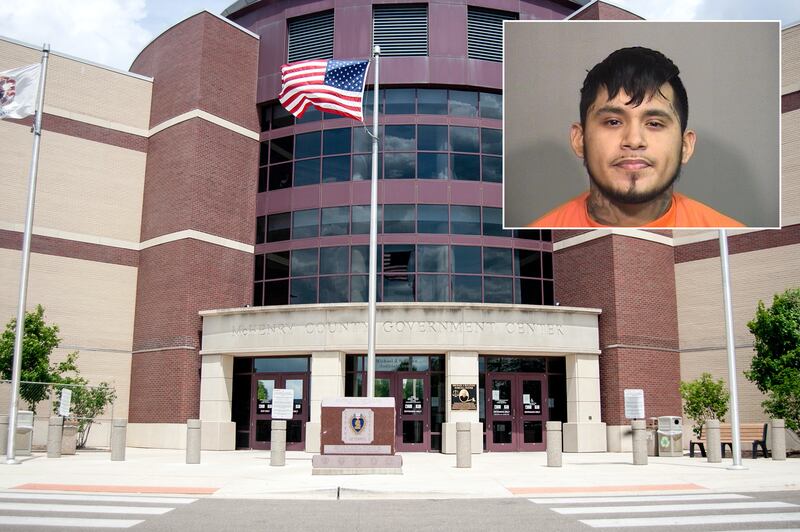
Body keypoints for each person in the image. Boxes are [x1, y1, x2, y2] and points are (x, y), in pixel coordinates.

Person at [528, 46, 743, 228]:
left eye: (654, 123)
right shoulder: (544, 226)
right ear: (579, 140)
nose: (633, 140)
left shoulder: (725, 229)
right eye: (613, 122)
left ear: (685, 146)